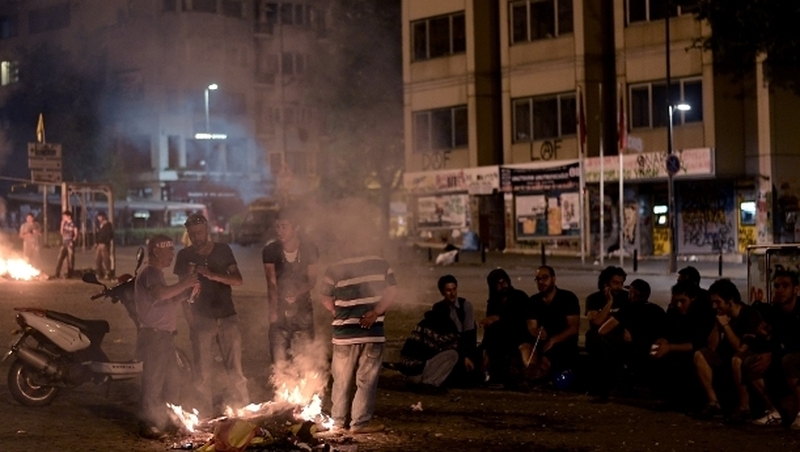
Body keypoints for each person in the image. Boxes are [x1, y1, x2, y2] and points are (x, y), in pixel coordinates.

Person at [174, 213, 249, 411]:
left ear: (207, 230)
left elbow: (237, 279)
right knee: (202, 374)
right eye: (192, 234)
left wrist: (212, 274)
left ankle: (241, 410)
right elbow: (182, 290)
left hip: (227, 317)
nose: (196, 237)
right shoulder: (184, 256)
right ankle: (203, 414)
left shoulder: (223, 250)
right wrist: (190, 319)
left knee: (235, 369)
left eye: (199, 232)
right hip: (201, 319)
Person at [319, 249, 398, 435]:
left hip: (344, 334)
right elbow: (392, 291)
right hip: (372, 333)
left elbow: (325, 297)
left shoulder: (334, 268)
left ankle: (337, 422)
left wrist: (336, 312)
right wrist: (376, 312)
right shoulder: (381, 263)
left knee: (341, 381)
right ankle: (359, 424)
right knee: (366, 381)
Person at [134, 234, 198, 439]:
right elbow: (160, 294)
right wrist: (185, 282)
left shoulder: (157, 273)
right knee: (153, 381)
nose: (172, 253)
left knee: (172, 381)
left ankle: (170, 420)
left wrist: (187, 292)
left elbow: (167, 300)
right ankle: (149, 424)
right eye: (169, 250)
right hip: (154, 338)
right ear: (155, 251)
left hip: (164, 338)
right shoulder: (150, 272)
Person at [694, 279, 764, 422]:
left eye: (718, 302)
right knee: (700, 355)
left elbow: (741, 348)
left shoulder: (749, 315)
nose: (714, 306)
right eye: (712, 302)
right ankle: (714, 403)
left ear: (730, 301)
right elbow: (711, 347)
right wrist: (717, 325)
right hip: (726, 359)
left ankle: (745, 408)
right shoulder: (723, 316)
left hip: (743, 361)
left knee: (736, 359)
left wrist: (726, 326)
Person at [396, 275, 479, 392]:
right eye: (448, 290)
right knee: (453, 359)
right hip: (423, 366)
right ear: (442, 292)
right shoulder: (439, 315)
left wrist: (467, 356)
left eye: (454, 289)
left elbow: (469, 334)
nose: (452, 293)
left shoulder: (465, 306)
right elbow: (442, 345)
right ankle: (429, 383)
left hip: (413, 368)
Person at [263, 209, 319, 370]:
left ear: (296, 228)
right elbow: (271, 284)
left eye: (284, 227)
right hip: (280, 311)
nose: (279, 231)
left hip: (303, 312)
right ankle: (282, 391)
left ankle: (305, 391)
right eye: (277, 227)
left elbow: (312, 280)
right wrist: (273, 312)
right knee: (279, 363)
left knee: (305, 360)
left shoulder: (309, 249)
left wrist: (298, 292)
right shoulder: (270, 251)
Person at [650, 281, 715, 412]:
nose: (679, 305)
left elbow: (698, 343)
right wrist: (662, 340)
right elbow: (667, 331)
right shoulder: (674, 311)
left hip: (695, 353)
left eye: (683, 301)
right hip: (676, 349)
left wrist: (670, 347)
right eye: (676, 301)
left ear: (693, 299)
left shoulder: (702, 314)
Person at [746, 270, 800, 427]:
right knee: (751, 363)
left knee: (789, 360)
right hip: (783, 356)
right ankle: (774, 411)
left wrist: (773, 355)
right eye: (777, 286)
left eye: (785, 286)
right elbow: (778, 342)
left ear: (796, 289)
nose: (780, 290)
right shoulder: (776, 312)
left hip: (792, 358)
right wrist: (764, 336)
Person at [596, 279, 666, 398]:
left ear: (633, 294)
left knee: (604, 343)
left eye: (630, 292)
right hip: (652, 351)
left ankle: (614, 385)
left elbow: (603, 330)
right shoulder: (658, 310)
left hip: (632, 352)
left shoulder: (628, 309)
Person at [523, 266, 580, 385]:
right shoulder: (534, 301)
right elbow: (531, 325)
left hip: (562, 341)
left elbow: (573, 327)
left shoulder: (568, 298)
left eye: (545, 278)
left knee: (547, 358)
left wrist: (553, 340)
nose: (541, 282)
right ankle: (531, 370)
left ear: (553, 279)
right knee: (526, 345)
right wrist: (536, 331)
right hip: (541, 341)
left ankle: (536, 376)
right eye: (538, 279)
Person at [480, 268, 530, 390]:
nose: (502, 285)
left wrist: (499, 317)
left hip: (517, 338)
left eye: (504, 281)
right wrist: (485, 348)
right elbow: (489, 329)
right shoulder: (493, 303)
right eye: (498, 283)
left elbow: (519, 318)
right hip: (498, 341)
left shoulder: (519, 296)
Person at [585, 266, 628, 396]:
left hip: (618, 337)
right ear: (606, 283)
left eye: (621, 283)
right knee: (596, 339)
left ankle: (607, 385)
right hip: (599, 338)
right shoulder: (593, 299)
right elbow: (596, 322)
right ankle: (602, 386)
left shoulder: (626, 298)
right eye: (615, 283)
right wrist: (609, 303)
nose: (619, 287)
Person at [54, 211, 76, 279]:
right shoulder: (65, 223)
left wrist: (73, 241)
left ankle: (70, 274)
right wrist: (62, 224)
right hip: (64, 242)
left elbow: (76, 233)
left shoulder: (73, 223)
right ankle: (57, 273)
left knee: (70, 259)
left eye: (65, 216)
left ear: (69, 216)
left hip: (70, 243)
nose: (64, 218)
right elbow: (62, 233)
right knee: (60, 258)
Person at [95, 211, 114, 279]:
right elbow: (98, 235)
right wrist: (96, 242)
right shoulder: (100, 225)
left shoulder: (108, 225)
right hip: (99, 244)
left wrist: (106, 242)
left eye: (100, 217)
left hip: (104, 244)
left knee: (106, 259)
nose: (99, 218)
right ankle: (99, 273)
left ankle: (107, 272)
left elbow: (110, 235)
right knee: (98, 259)